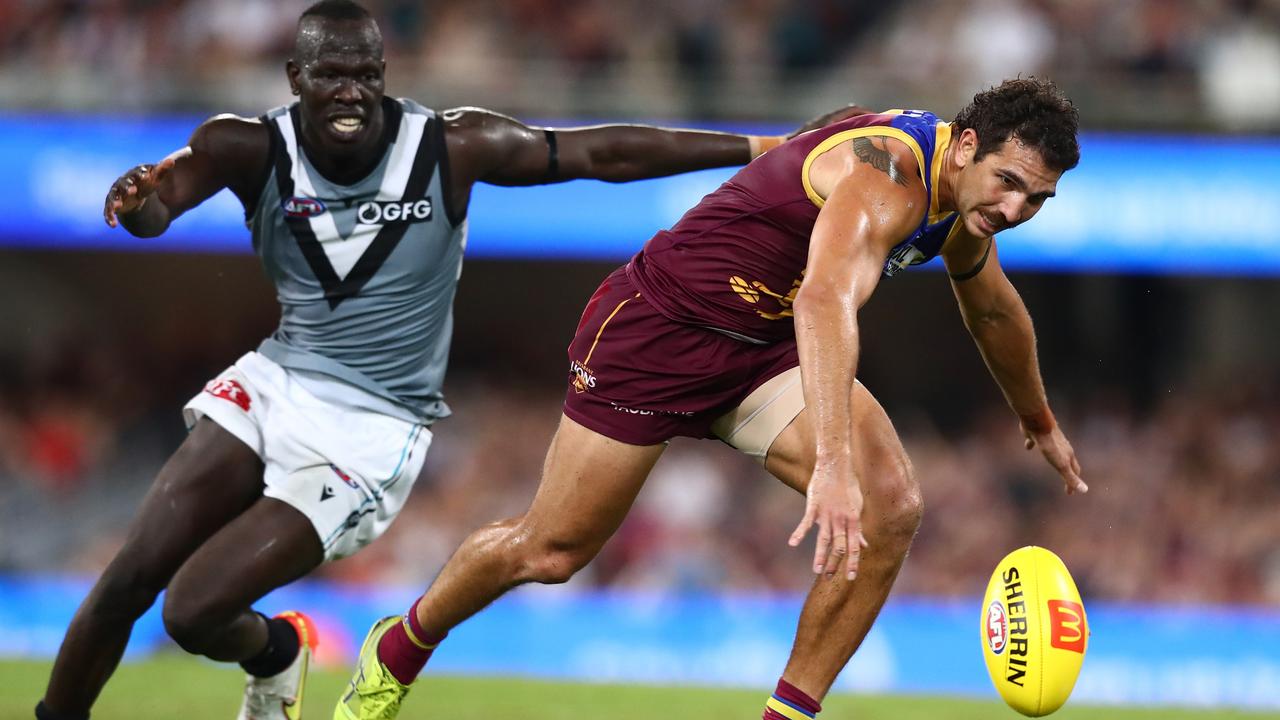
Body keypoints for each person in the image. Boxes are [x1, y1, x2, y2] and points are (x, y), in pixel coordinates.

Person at [33, 2, 852, 719]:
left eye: (366, 74)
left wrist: (760, 145)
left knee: (191, 611)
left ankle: (278, 654)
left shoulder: (450, 144)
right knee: (128, 577)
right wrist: (140, 203)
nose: (350, 92)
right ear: (293, 75)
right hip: (275, 383)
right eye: (330, 75)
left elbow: (596, 154)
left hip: (370, 432)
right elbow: (160, 205)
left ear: (386, 73)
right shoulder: (245, 147)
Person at [335, 77, 1090, 720]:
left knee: (891, 503)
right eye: (1010, 183)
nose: (1018, 208)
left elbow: (991, 308)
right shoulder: (887, 179)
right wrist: (830, 461)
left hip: (759, 355)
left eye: (1038, 199)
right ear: (965, 147)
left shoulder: (963, 204)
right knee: (550, 550)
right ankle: (396, 651)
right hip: (657, 336)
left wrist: (1039, 420)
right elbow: (824, 302)